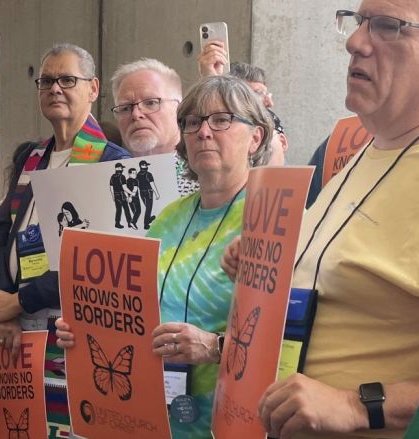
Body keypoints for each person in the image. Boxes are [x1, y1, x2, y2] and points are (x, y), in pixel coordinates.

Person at [221, 3, 419, 438]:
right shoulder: (365, 152)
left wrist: (357, 405)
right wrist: (268, 263)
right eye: (358, 21)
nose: (354, 42)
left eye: (388, 26)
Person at [57, 74, 273, 439]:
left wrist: (215, 346)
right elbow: (136, 309)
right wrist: (90, 324)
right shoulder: (169, 216)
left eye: (221, 120)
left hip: (228, 423)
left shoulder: (269, 220)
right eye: (193, 122)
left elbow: (289, 340)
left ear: (256, 137)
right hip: (149, 417)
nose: (204, 132)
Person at [0, 43, 130, 437]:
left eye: (67, 80)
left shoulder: (112, 163)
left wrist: (20, 300)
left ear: (93, 88)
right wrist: (3, 302)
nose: (55, 89)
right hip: (12, 329)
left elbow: (97, 262)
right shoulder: (33, 156)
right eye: (46, 81)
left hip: (67, 330)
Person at [109, 58, 198, 196]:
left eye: (150, 103)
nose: (136, 114)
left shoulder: (203, 177)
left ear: (179, 108)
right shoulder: (107, 177)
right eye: (125, 108)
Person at [137, 159, 160, 229]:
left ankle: (149, 219)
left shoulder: (138, 174)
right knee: (148, 208)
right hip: (148, 192)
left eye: (146, 165)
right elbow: (152, 184)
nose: (146, 166)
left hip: (142, 193)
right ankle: (146, 224)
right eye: (145, 165)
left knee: (147, 207)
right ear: (141, 166)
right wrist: (157, 194)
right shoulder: (148, 174)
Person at [109, 162, 133, 229]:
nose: (122, 169)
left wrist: (113, 196)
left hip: (116, 195)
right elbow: (124, 188)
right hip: (122, 195)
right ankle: (129, 223)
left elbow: (111, 187)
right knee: (126, 209)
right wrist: (131, 193)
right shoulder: (122, 176)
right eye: (121, 168)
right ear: (118, 168)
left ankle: (117, 223)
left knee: (118, 210)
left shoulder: (112, 176)